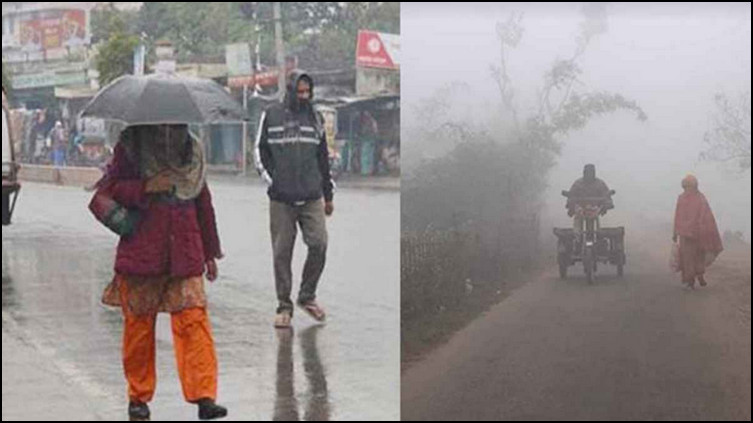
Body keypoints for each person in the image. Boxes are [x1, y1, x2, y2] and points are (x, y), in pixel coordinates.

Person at [92, 125, 228, 420]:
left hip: (186, 249)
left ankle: (204, 396)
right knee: (139, 327)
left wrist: (210, 251)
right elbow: (110, 189)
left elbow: (203, 202)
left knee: (194, 321)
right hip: (144, 249)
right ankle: (138, 397)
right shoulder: (131, 146)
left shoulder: (192, 150)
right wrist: (146, 187)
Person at [254, 70, 335, 329]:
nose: (304, 96)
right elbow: (259, 150)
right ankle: (284, 306)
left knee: (319, 243)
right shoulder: (272, 114)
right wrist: (272, 182)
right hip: (281, 199)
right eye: (299, 92)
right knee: (282, 253)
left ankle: (307, 296)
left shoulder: (316, 118)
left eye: (307, 92)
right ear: (291, 90)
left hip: (311, 196)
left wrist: (328, 194)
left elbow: (323, 158)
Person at [672, 174, 723, 289]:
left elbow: (706, 216)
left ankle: (699, 275)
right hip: (685, 235)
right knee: (687, 259)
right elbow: (678, 215)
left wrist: (703, 229)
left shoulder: (700, 198)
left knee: (699, 256)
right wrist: (675, 232)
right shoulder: (681, 198)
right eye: (686, 186)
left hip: (698, 234)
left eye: (690, 186)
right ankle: (691, 281)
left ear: (695, 186)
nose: (688, 189)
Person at [566, 164, 614, 231]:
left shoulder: (600, 184)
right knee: (576, 228)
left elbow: (606, 195)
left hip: (595, 210)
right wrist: (571, 205)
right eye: (587, 172)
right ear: (584, 173)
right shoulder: (578, 184)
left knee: (598, 231)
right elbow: (571, 196)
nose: (589, 174)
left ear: (594, 173)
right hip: (580, 211)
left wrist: (607, 204)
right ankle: (576, 238)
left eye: (591, 172)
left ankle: (597, 236)